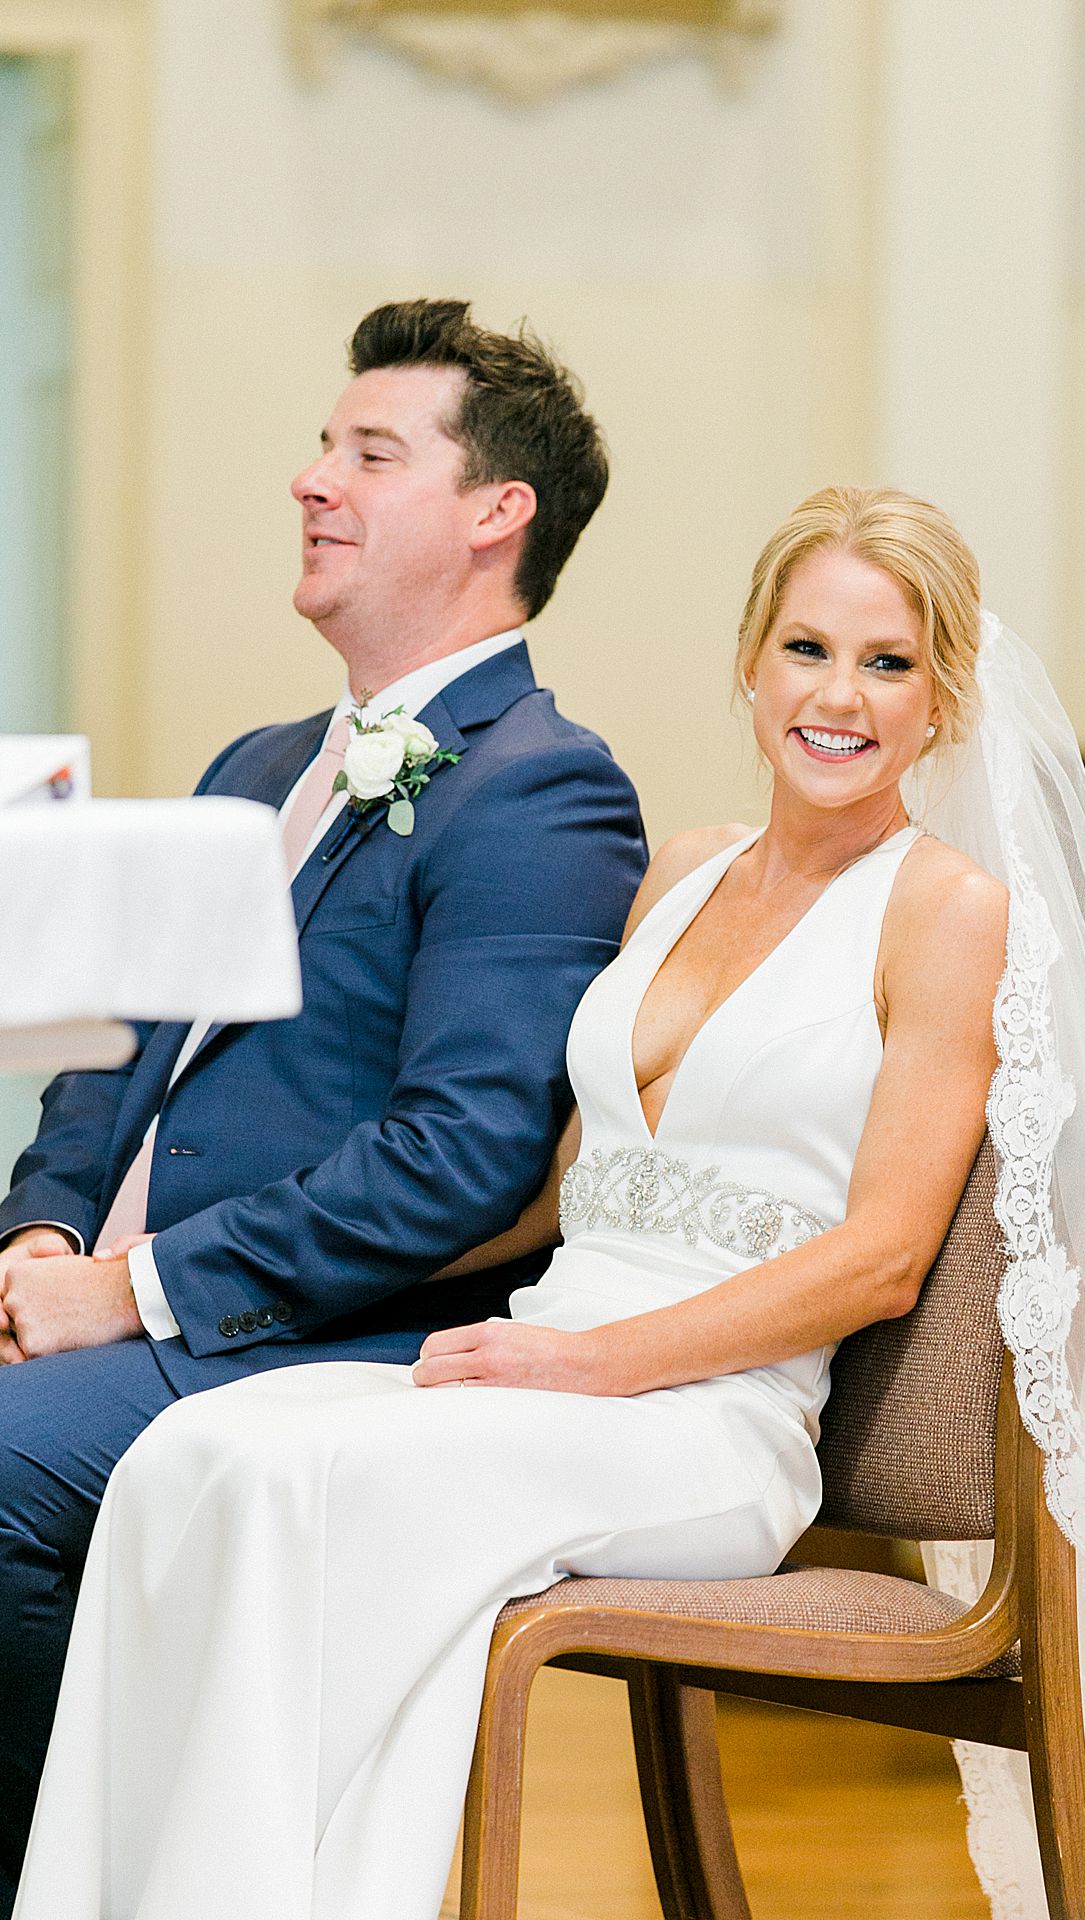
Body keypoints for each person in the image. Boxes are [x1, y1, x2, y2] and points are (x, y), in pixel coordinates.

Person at [17, 487, 1085, 1920]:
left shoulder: (947, 912)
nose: (839, 696)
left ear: (944, 703)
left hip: (709, 1420)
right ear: (751, 664)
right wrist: (230, 1285)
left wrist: (591, 1364)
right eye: (808, 648)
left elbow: (879, 1260)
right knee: (196, 1451)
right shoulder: (681, 874)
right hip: (549, 1356)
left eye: (890, 662)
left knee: (316, 1483)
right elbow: (553, 1187)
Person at [0, 297, 647, 1918]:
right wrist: (40, 1233)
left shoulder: (541, 787)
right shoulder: (253, 762)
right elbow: (109, 1064)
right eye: (319, 444)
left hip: (319, 1326)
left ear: (497, 516)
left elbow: (461, 1160)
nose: (311, 479)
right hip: (104, 1294)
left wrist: (127, 1293)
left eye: (368, 452)